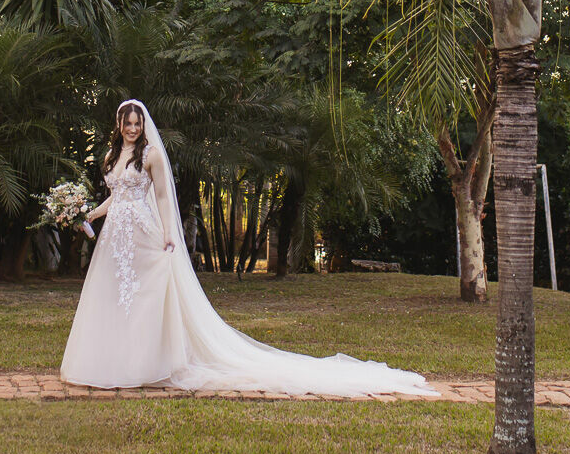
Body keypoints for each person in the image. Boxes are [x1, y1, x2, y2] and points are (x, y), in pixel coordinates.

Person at [59, 98, 434, 396]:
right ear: (119, 125)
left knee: (142, 298)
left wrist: (169, 234)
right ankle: (115, 361)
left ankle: (145, 364)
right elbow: (117, 197)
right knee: (116, 297)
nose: (132, 129)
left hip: (143, 234)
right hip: (116, 239)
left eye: (137, 124)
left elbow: (160, 197)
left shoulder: (151, 155)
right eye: (127, 124)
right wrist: (89, 214)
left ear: (143, 126)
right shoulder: (112, 156)